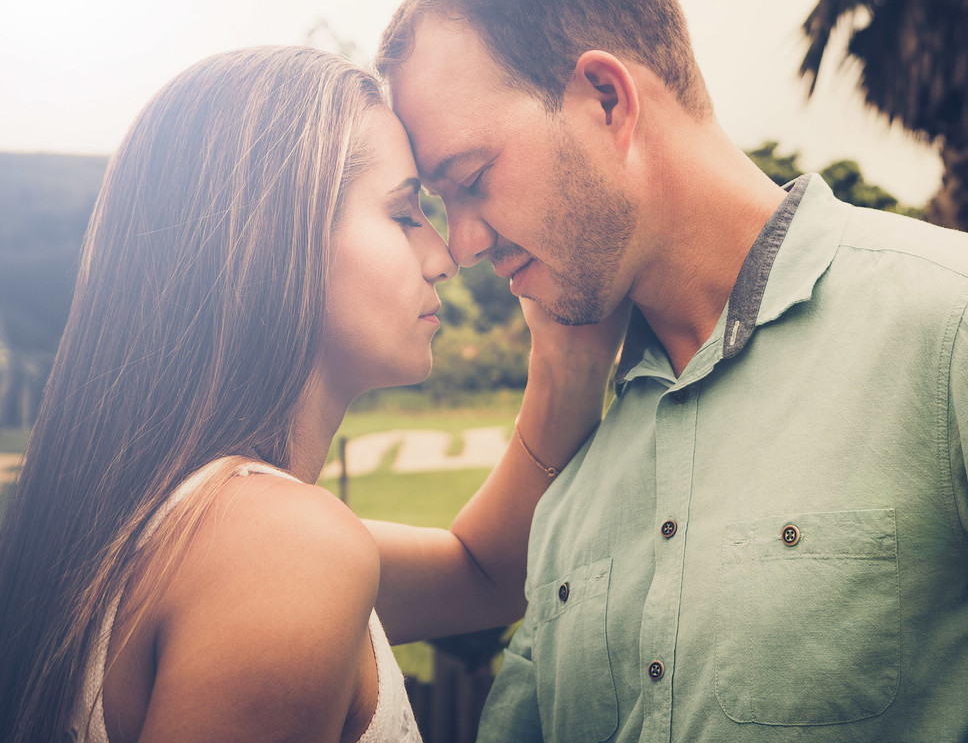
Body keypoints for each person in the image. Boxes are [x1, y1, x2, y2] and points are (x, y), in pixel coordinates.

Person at [375, 0, 968, 743]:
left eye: (472, 180)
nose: (464, 244)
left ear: (607, 100)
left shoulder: (967, 331)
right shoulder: (574, 479)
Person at [0, 46, 623, 743]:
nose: (444, 259)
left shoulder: (178, 526)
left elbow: (487, 576)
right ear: (279, 236)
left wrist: (570, 356)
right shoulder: (277, 551)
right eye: (403, 213)